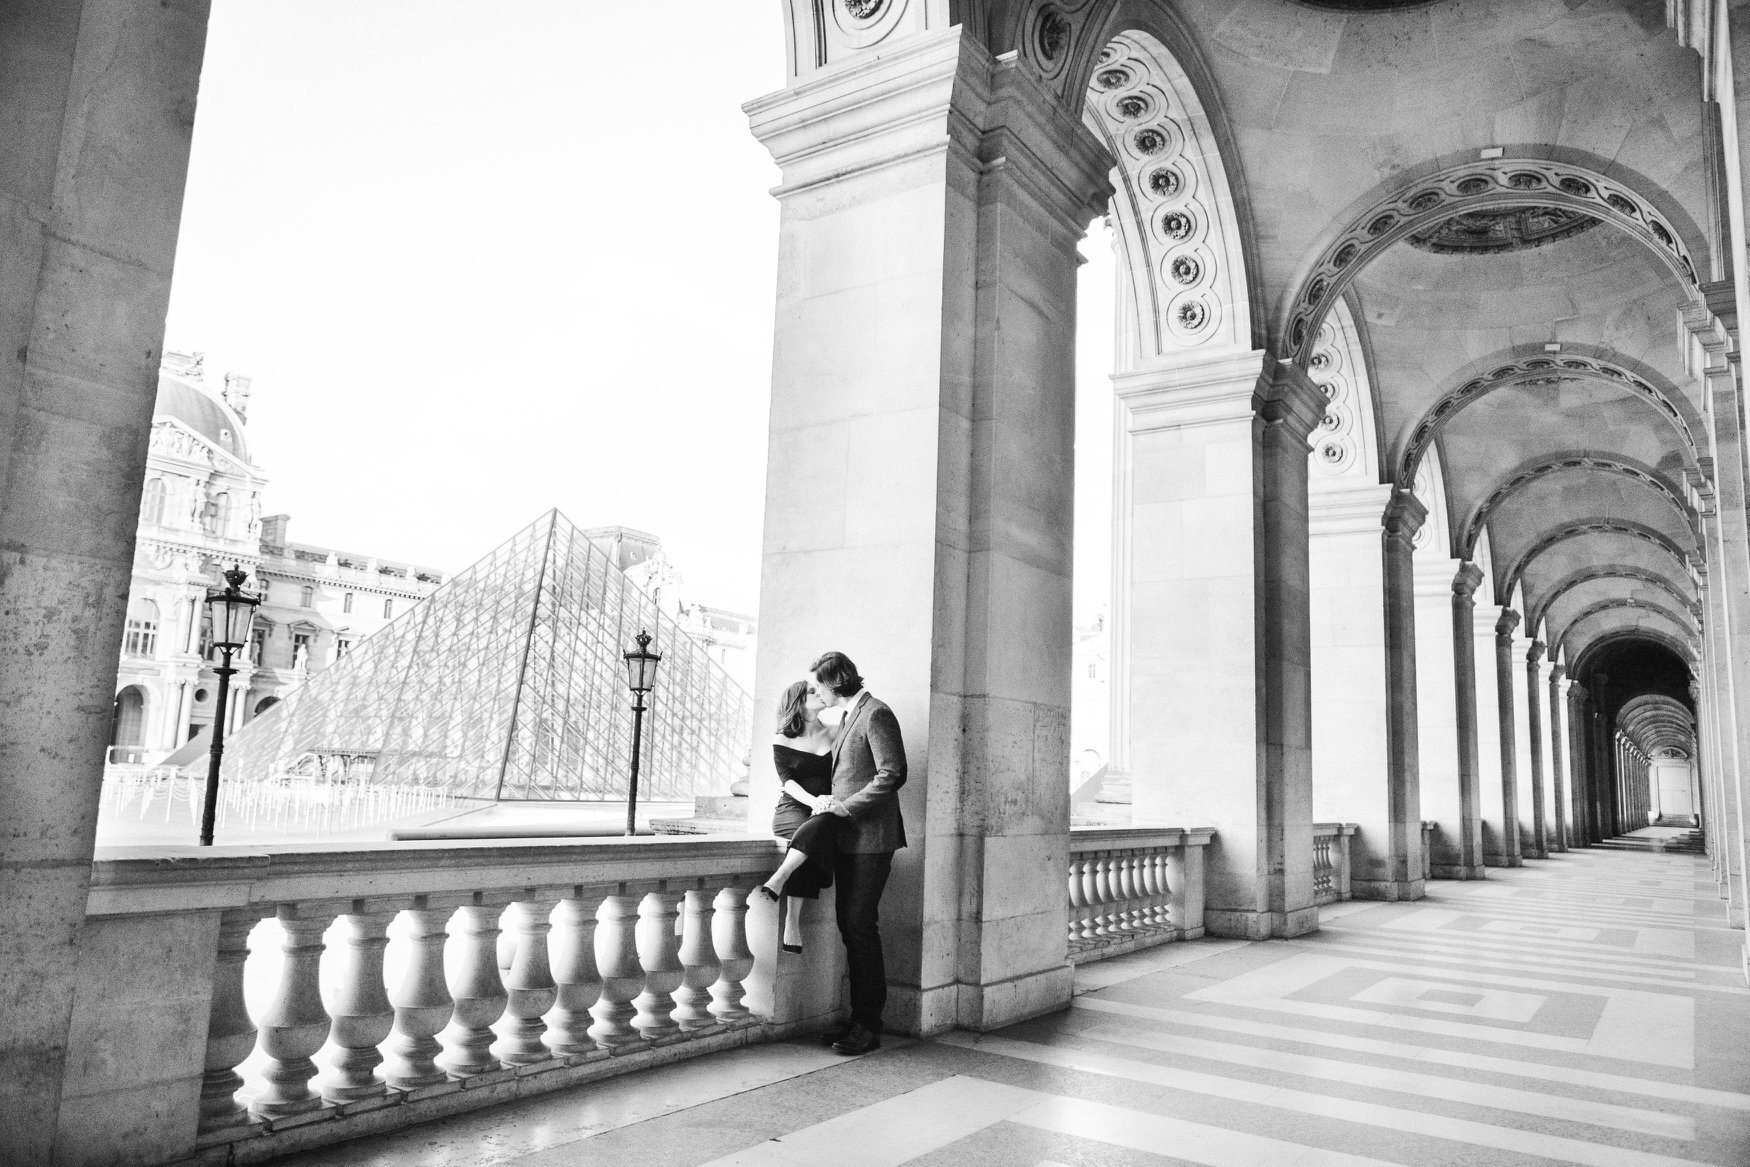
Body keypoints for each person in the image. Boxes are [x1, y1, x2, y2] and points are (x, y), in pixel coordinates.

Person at [807, 650, 905, 1055]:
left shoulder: (876, 713)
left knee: (860, 927)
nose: (817, 693)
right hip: (849, 839)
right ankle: (857, 1019)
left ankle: (868, 1025)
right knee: (850, 927)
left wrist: (846, 807)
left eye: (819, 686)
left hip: (873, 840)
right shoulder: (850, 716)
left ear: (836, 682)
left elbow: (893, 773)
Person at [752, 681, 840, 952]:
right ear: (798, 702)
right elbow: (788, 782)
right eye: (812, 691)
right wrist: (814, 801)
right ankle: (792, 922)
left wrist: (822, 804)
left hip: (823, 811)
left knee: (822, 822)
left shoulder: (835, 732)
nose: (819, 693)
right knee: (809, 835)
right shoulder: (782, 739)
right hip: (792, 809)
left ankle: (780, 878)